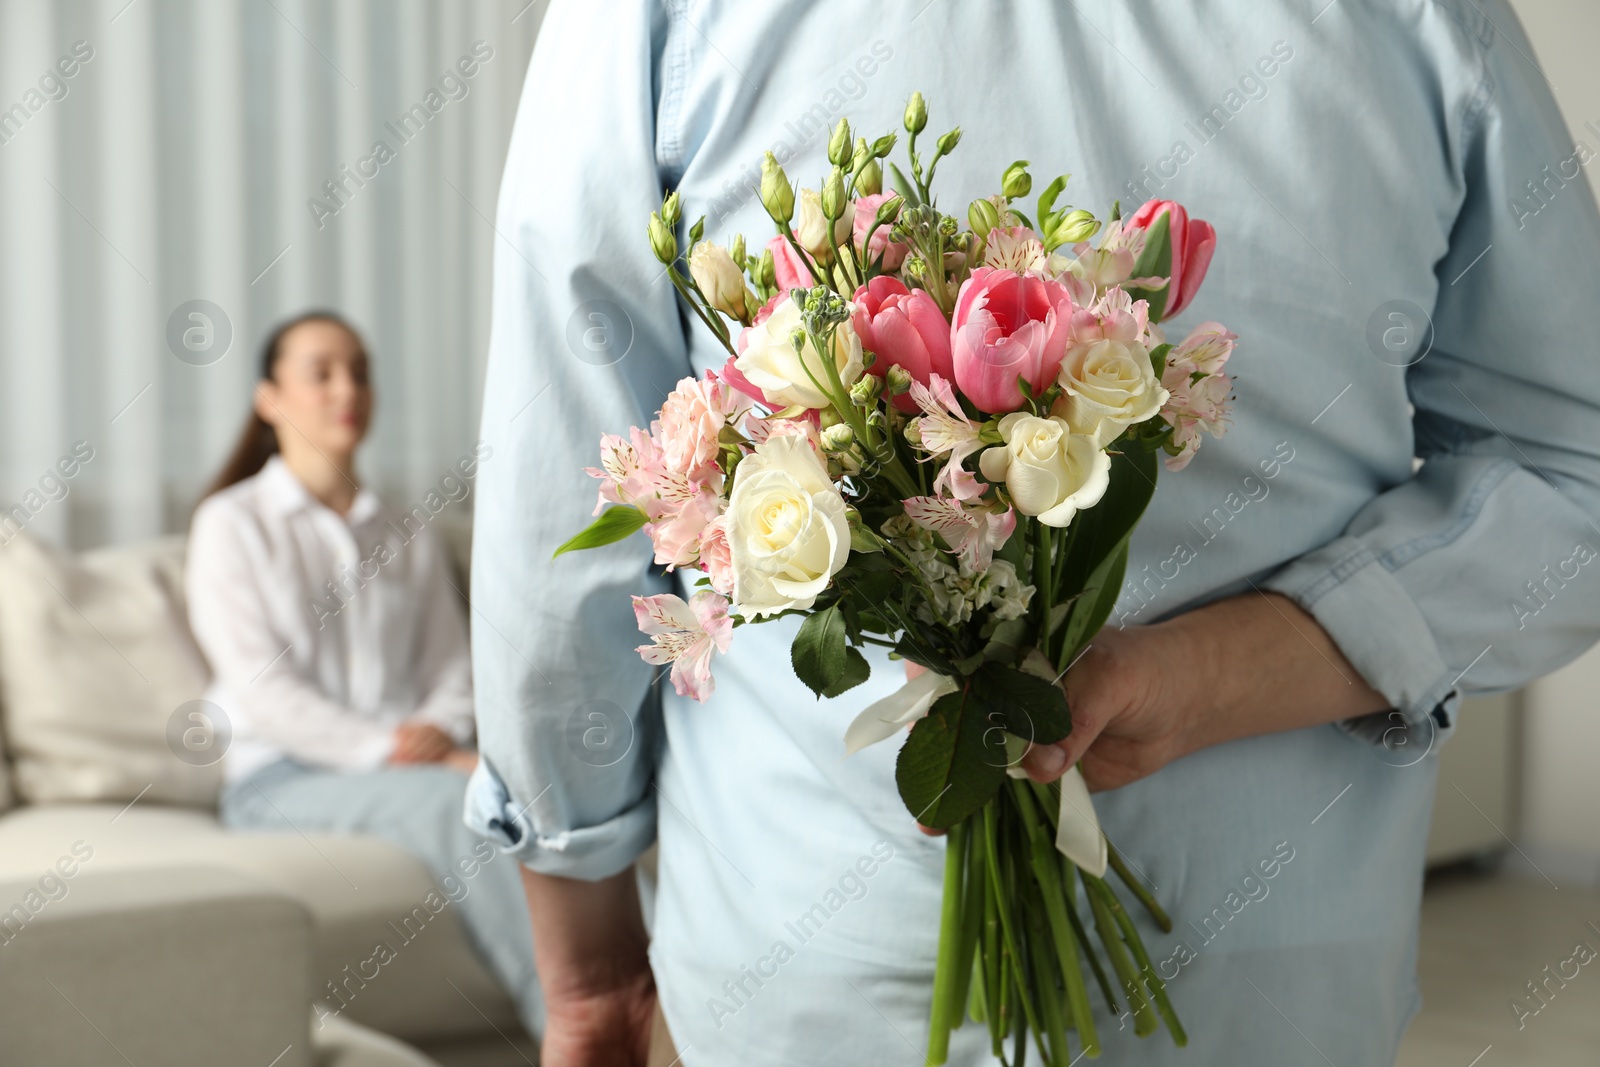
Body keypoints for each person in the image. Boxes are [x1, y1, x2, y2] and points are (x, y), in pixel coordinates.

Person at [467, 2, 1600, 1064]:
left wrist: (586, 959)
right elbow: (1572, 476)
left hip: (813, 962)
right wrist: (1214, 672)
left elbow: (562, 493)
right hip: (1270, 971)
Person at [186, 311, 543, 1040]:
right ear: (270, 398)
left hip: (411, 763)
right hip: (279, 778)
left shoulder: (405, 531)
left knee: (543, 791)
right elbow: (263, 689)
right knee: (466, 805)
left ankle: (675, 986)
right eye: (320, 372)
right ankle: (596, 1029)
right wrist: (399, 748)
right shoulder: (232, 523)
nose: (346, 387)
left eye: (359, 370)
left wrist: (440, 728)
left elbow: (450, 664)